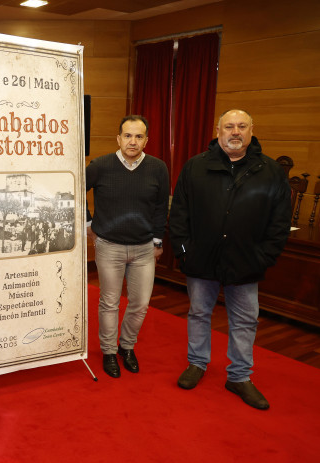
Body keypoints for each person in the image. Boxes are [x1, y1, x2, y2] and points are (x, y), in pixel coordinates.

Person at [170, 109, 291, 410]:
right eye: (229, 126)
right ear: (218, 130)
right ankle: (197, 363)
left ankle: (239, 376)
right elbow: (179, 215)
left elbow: (279, 222)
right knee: (199, 314)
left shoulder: (271, 171)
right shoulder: (195, 167)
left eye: (241, 126)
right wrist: (185, 254)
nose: (235, 132)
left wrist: (264, 257)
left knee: (245, 320)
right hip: (201, 261)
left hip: (246, 262)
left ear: (252, 130)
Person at [86, 115, 170, 378]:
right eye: (128, 135)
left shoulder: (158, 168)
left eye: (139, 136)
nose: (133, 141)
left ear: (147, 139)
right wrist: (88, 223)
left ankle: (127, 347)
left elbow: (160, 208)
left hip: (145, 249)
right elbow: (75, 192)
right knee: (109, 303)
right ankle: (109, 351)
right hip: (109, 246)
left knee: (141, 304)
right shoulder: (100, 165)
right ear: (118, 138)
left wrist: (158, 240)